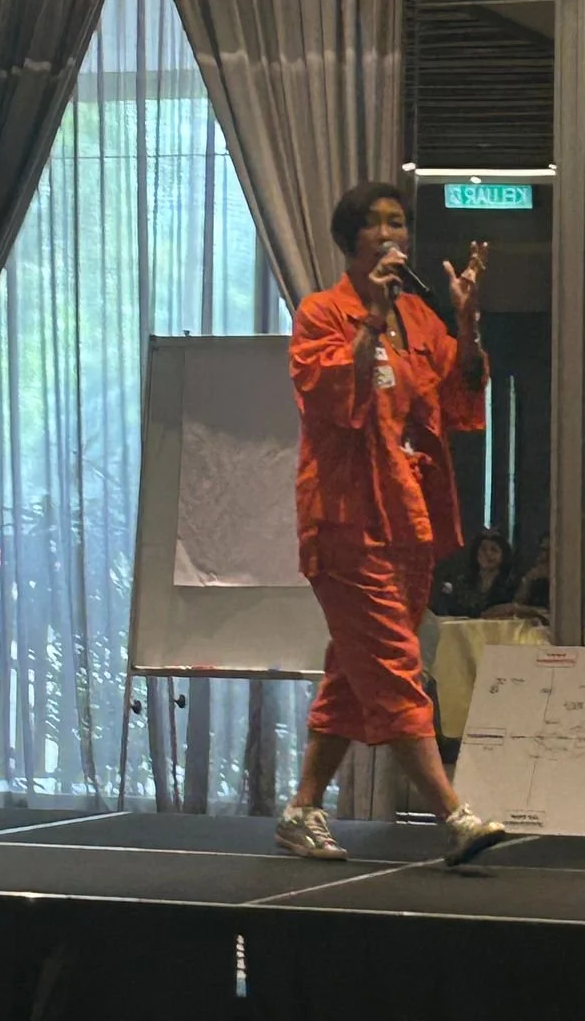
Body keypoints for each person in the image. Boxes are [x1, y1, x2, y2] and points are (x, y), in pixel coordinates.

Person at [275, 182, 506, 866]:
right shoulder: (323, 313)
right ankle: (453, 815)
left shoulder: (420, 317)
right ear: (349, 239)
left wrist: (466, 321)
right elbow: (330, 401)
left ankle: (302, 808)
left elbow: (461, 395)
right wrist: (371, 320)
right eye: (376, 224)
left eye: (399, 223)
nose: (390, 235)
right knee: (396, 665)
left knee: (356, 671)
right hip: (345, 521)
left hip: (408, 520)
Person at [432, 527, 515, 618]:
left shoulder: (511, 585)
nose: (488, 554)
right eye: (483, 549)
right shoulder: (462, 582)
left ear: (504, 556)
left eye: (494, 550)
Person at [483, 531, 550, 622]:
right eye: (543, 550)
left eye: (494, 550)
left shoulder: (509, 581)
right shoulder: (536, 579)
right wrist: (527, 580)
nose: (488, 554)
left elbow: (555, 615)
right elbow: (518, 604)